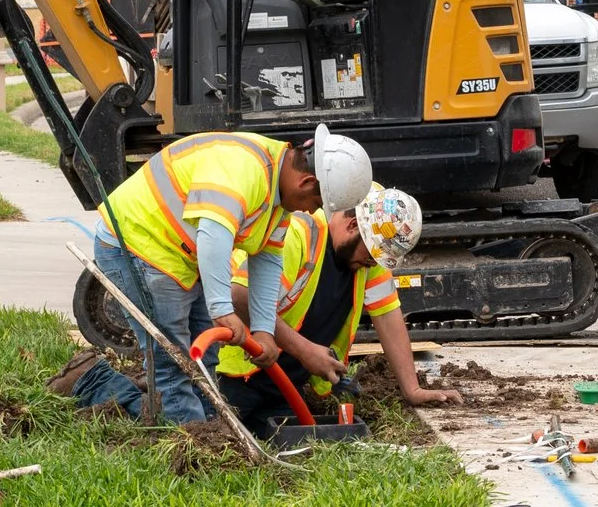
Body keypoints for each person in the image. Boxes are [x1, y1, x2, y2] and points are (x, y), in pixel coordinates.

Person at [64, 123, 373, 422]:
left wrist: (264, 330)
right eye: (316, 203)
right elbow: (214, 234)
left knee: (205, 360)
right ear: (306, 183)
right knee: (174, 364)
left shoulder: (277, 193)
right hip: (136, 245)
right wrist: (222, 309)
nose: (311, 211)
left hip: (177, 257)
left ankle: (206, 426)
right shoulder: (246, 170)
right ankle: (102, 387)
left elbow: (266, 258)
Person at [213, 186, 462, 436]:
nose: (373, 264)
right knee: (213, 437)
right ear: (353, 225)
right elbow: (241, 297)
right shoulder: (298, 233)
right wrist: (306, 351)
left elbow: (387, 315)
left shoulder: (369, 251)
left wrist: (412, 390)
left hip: (283, 385)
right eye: (372, 255)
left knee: (289, 446)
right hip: (233, 375)